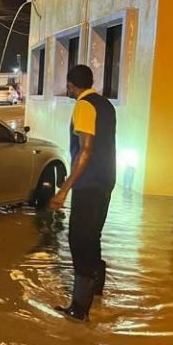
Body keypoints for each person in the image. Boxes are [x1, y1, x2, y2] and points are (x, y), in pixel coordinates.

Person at [49, 64, 116, 322]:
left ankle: (79, 309)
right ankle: (97, 290)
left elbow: (85, 150)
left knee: (79, 239)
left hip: (88, 183)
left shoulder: (84, 105)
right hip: (107, 178)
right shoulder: (106, 105)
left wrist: (63, 190)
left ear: (70, 85)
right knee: (93, 234)